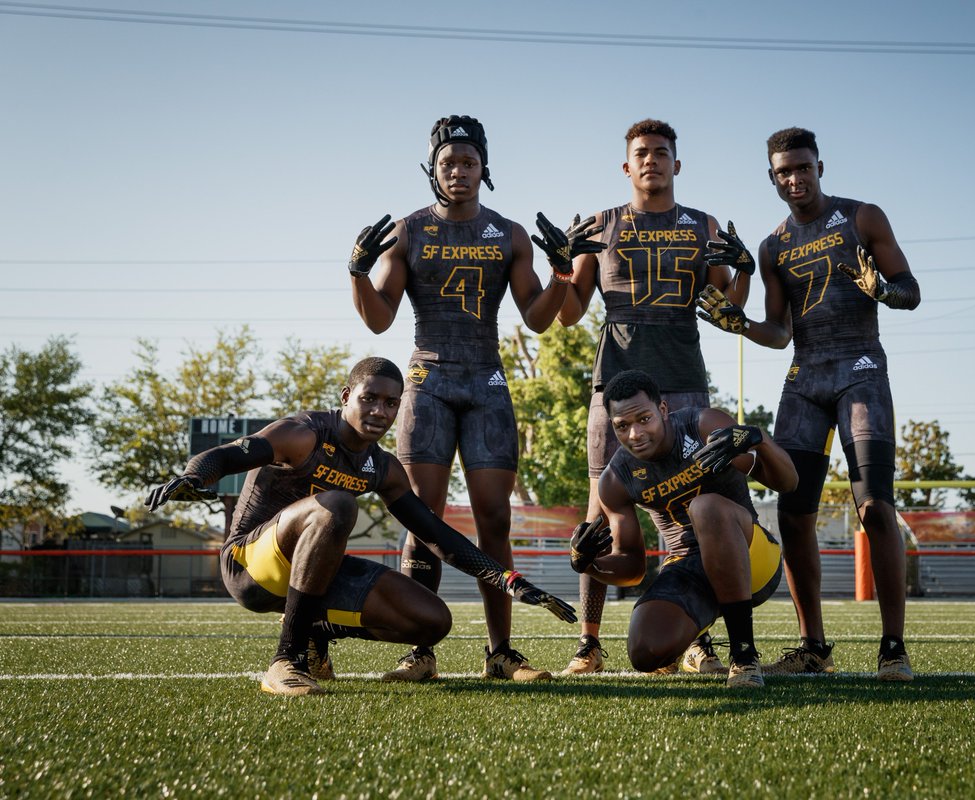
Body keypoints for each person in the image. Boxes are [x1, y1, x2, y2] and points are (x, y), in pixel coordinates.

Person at [144, 357, 575, 696]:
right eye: (370, 398)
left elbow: (434, 533)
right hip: (251, 565)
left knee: (431, 621)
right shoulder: (304, 434)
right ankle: (285, 661)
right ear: (347, 395)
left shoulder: (382, 468)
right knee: (336, 505)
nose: (380, 410)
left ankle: (315, 630)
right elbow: (234, 452)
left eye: (391, 403)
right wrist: (196, 476)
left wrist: (507, 579)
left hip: (313, 572)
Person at [348, 115, 597, 681]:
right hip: (427, 381)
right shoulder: (409, 231)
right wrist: (357, 272)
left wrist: (562, 272)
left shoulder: (507, 233)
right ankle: (419, 652)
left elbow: (538, 320)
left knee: (494, 523)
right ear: (431, 171)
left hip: (486, 380)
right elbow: (381, 318)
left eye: (468, 162)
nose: (458, 171)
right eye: (447, 164)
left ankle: (502, 653)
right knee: (420, 518)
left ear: (485, 169)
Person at [696, 127, 921, 681]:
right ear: (771, 179)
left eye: (803, 167)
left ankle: (893, 647)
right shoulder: (772, 245)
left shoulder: (863, 217)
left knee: (873, 507)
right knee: (794, 514)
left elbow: (910, 290)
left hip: (861, 367)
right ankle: (812, 647)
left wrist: (884, 292)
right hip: (805, 376)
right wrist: (738, 324)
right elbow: (778, 331)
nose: (794, 178)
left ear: (821, 166)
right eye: (783, 172)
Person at [555, 118, 754, 675]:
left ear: (676, 163)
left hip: (682, 374)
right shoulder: (602, 224)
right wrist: (559, 266)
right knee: (600, 507)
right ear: (627, 166)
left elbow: (727, 308)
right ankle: (589, 642)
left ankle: (698, 638)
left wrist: (744, 271)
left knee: (692, 508)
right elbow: (569, 315)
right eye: (641, 153)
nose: (651, 161)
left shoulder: (702, 223)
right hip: (613, 383)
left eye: (661, 153)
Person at [569, 369, 798, 688]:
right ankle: (692, 639)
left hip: (751, 555)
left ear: (662, 410)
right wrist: (588, 563)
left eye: (644, 419)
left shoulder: (703, 426)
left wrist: (760, 439)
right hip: (689, 565)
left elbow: (788, 483)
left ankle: (744, 656)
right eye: (622, 426)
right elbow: (633, 569)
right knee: (646, 653)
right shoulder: (616, 477)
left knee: (704, 507)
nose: (635, 434)